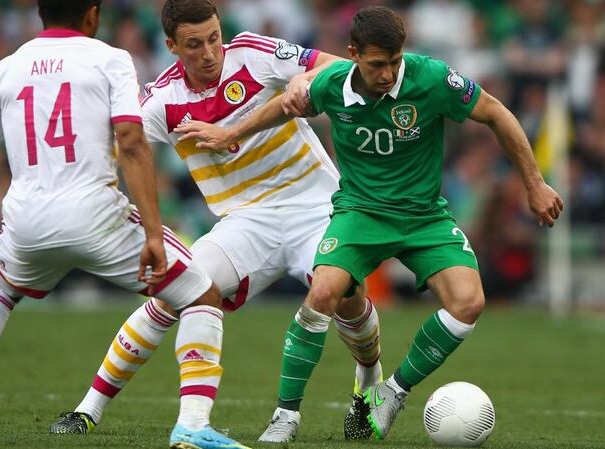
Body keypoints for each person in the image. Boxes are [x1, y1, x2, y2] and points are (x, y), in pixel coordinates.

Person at [175, 5, 564, 441]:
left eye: (395, 61)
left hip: (423, 216)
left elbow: (495, 112)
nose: (388, 74)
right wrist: (230, 134)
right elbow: (284, 107)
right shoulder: (331, 85)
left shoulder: (432, 78)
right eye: (377, 64)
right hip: (359, 212)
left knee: (469, 302)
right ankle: (286, 415)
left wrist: (535, 184)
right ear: (353, 54)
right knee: (323, 292)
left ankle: (392, 392)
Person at [0, 2, 250, 448]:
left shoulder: (7, 67)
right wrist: (152, 233)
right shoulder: (110, 58)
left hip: (25, 222)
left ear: (41, 14)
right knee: (202, 293)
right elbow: (131, 142)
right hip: (94, 216)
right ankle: (194, 425)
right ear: (92, 14)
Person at [49, 0, 384, 443]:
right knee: (174, 294)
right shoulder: (162, 100)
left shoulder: (252, 53)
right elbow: (119, 148)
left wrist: (303, 79)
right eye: (194, 45)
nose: (209, 53)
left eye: (214, 38)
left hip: (316, 207)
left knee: (347, 295)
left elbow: (339, 67)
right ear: (171, 45)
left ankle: (369, 381)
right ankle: (87, 409)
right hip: (245, 222)